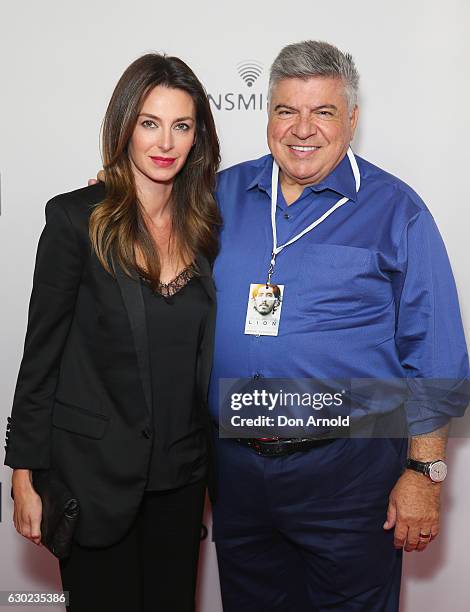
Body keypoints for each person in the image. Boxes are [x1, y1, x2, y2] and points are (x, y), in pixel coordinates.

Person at [208, 41, 470, 611]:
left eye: (322, 112)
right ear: (269, 117)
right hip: (237, 475)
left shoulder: (397, 211)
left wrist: (424, 474)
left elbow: (437, 355)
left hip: (349, 476)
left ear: (351, 119)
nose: (303, 129)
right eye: (287, 111)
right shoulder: (219, 195)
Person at [4, 53, 221, 612]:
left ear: (198, 136)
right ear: (123, 126)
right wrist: (24, 475)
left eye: (182, 125)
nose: (165, 142)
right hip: (93, 480)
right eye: (149, 122)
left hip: (181, 481)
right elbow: (40, 357)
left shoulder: (208, 227)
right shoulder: (77, 220)